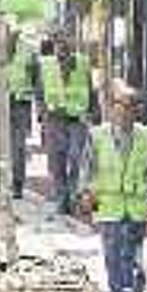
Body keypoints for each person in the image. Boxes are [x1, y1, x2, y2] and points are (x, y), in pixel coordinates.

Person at [79, 79, 147, 292]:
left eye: (132, 106)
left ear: (138, 110)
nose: (126, 111)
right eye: (122, 105)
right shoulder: (98, 135)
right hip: (109, 206)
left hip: (136, 207)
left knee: (132, 255)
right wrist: (86, 195)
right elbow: (88, 168)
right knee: (113, 256)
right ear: (113, 107)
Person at [39, 31, 92, 214]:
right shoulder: (45, 65)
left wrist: (93, 113)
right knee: (57, 161)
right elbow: (40, 90)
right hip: (55, 119)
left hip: (77, 119)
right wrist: (43, 113)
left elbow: (90, 87)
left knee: (76, 157)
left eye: (66, 43)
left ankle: (72, 194)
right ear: (54, 46)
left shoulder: (83, 62)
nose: (62, 47)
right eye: (59, 44)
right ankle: (63, 199)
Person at [4, 31, 37, 199]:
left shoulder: (28, 51)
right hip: (0, 104)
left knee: (18, 146)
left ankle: (17, 184)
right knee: (1, 146)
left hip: (21, 103)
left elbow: (36, 79)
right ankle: (0, 180)